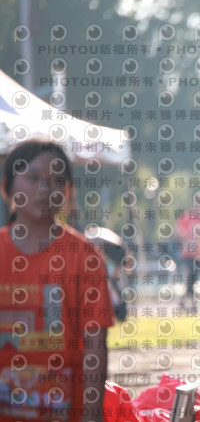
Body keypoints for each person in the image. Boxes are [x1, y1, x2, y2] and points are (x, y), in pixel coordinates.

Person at [0, 139, 113, 421]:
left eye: (57, 180)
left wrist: (91, 415)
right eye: (33, 177)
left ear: (67, 191)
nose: (45, 188)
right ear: (7, 187)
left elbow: (95, 343)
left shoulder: (84, 256)